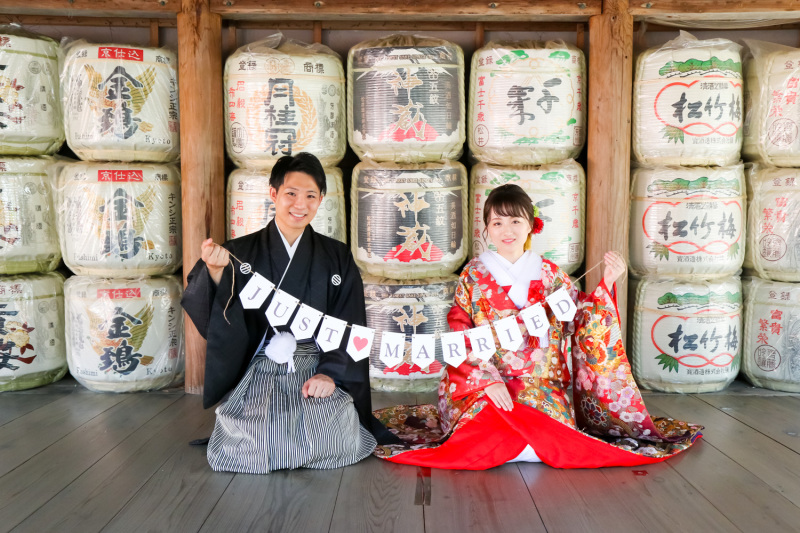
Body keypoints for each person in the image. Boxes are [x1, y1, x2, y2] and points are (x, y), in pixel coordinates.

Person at [373, 184, 702, 469]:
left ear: (531, 225)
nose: (507, 230)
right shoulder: (472, 275)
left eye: (516, 220)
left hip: (540, 383)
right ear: (486, 229)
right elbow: (459, 333)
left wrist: (605, 285)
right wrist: (486, 381)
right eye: (497, 222)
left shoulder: (550, 274)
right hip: (486, 382)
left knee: (546, 434)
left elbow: (581, 318)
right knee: (484, 433)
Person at [182, 152, 397, 474]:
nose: (300, 204)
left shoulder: (335, 255)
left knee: (334, 431)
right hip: (261, 365)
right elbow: (211, 314)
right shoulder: (239, 253)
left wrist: (331, 373)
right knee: (255, 435)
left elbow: (349, 322)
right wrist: (214, 272)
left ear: (321, 199)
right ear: (274, 194)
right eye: (291, 194)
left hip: (318, 363)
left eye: (311, 195)